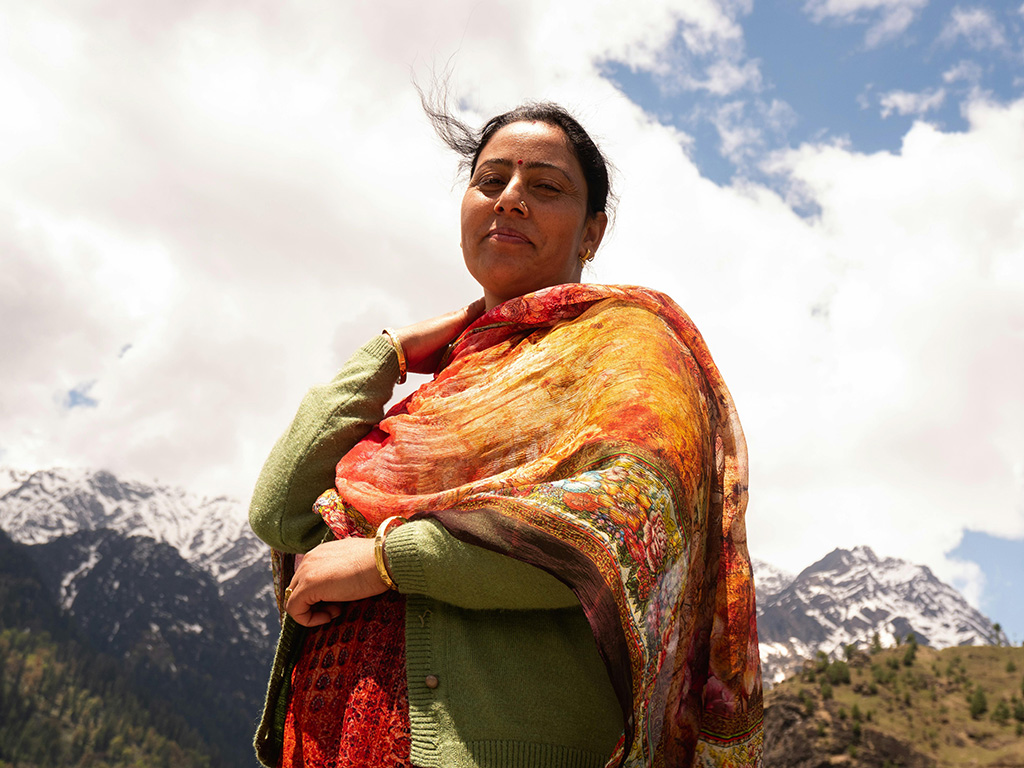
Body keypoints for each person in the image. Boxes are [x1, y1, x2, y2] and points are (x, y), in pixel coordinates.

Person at [249, 101, 763, 768]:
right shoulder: (446, 386)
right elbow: (281, 514)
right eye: (491, 181)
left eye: (545, 187)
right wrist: (389, 353)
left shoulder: (626, 346)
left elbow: (627, 520)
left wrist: (385, 561)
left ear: (592, 232)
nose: (511, 199)